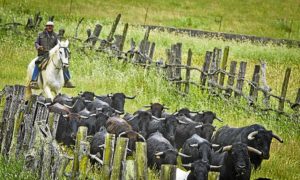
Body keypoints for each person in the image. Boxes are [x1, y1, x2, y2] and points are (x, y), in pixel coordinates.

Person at [30, 21, 75, 89]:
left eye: (51, 26)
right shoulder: (40, 34)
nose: (49, 27)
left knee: (64, 63)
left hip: (53, 54)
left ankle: (67, 81)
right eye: (48, 26)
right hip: (43, 54)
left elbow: (58, 45)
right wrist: (38, 47)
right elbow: (36, 43)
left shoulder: (56, 35)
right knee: (37, 63)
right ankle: (34, 81)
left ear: (53, 27)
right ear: (46, 26)